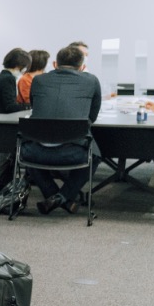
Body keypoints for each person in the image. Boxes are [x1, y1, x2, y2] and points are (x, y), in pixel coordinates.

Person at [25, 44, 102, 214]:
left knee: (23, 150)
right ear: (82, 66)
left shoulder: (38, 80)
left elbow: (34, 106)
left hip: (35, 152)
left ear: (54, 64)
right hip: (73, 152)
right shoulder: (91, 80)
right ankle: (63, 197)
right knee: (95, 155)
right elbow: (92, 117)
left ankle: (53, 195)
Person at [0, 48, 32, 114]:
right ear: (18, 65)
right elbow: (10, 107)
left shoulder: (2, 76)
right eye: (25, 67)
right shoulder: (8, 79)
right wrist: (30, 106)